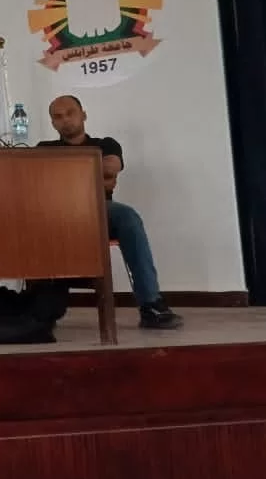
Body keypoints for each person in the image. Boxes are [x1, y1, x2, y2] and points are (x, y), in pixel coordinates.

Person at [38, 94, 182, 329]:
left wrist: (63, 175)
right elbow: (40, 182)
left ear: (83, 115)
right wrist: (94, 175)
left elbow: (111, 168)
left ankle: (151, 305)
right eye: (58, 116)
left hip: (97, 210)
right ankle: (35, 308)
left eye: (70, 113)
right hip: (57, 214)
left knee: (128, 217)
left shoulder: (106, 145)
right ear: (53, 123)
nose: (65, 120)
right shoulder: (44, 149)